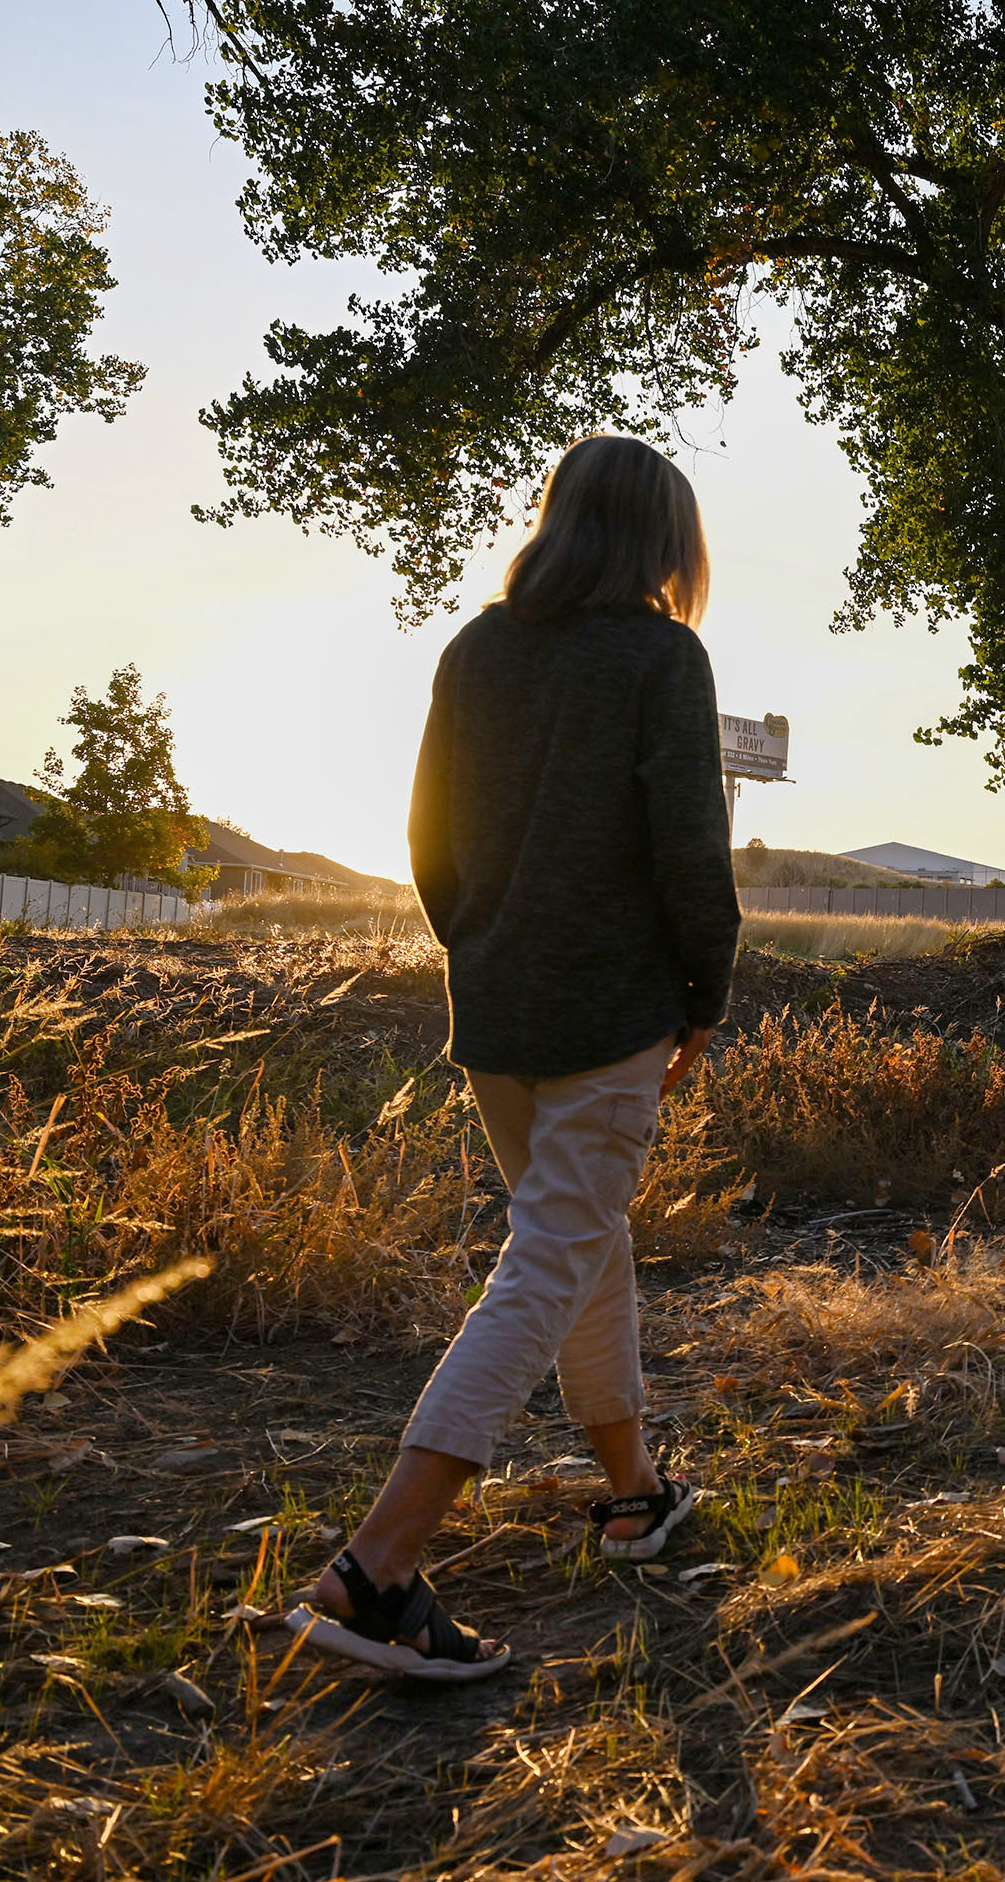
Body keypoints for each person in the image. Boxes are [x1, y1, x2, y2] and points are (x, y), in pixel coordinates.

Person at [285, 434, 742, 1680]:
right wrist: (706, 990)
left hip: (493, 1011)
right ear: (663, 542)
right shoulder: (661, 652)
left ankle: (637, 1493)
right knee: (543, 1263)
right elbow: (692, 848)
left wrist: (480, 943)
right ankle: (376, 1568)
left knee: (580, 1242)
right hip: (613, 1013)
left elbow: (428, 838)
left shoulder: (474, 650)